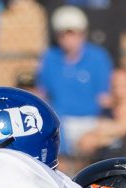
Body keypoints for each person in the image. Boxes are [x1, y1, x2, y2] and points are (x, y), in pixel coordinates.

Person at [36, 6, 114, 156]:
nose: (68, 39)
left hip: (92, 121)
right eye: (63, 34)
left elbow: (104, 98)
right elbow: (42, 93)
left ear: (83, 34)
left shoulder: (98, 58)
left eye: (73, 33)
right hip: (61, 122)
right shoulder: (49, 58)